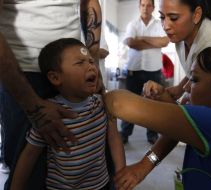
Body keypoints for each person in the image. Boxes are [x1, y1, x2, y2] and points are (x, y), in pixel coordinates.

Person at [104, 43, 211, 190]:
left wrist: (100, 89)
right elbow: (181, 126)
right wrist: (163, 96)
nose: (186, 86)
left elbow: (118, 103)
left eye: (194, 80)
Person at [0, 1, 102, 189]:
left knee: (81, 159)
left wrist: (91, 62)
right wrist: (33, 107)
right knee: (28, 173)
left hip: (74, 73)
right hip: (23, 74)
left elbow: (89, 3)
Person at [10, 38, 126, 190]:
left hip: (101, 185)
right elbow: (29, 156)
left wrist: (121, 173)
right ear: (55, 77)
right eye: (80, 63)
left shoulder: (103, 104)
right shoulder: (50, 116)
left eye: (91, 61)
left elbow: (114, 137)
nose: (91, 67)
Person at [120, 0, 169, 145]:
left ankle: (152, 135)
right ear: (139, 7)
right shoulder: (132, 24)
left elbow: (164, 42)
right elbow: (130, 43)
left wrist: (141, 38)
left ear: (153, 8)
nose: (145, 8)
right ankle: (125, 133)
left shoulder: (159, 23)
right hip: (134, 70)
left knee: (153, 104)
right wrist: (153, 43)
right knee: (130, 103)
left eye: (149, 5)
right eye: (143, 5)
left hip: (153, 71)